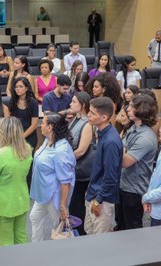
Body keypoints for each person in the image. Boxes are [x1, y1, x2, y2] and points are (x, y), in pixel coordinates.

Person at [0, 117, 32, 246]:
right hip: (21, 200)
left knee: (6, 243)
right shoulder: (27, 149)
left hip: (3, 204)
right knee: (21, 237)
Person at [30, 112, 76, 242]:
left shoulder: (62, 150)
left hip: (54, 196)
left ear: (50, 127)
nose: (41, 126)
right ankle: (36, 249)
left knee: (58, 228)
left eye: (43, 123)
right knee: (34, 217)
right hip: (42, 193)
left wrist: (62, 206)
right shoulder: (47, 141)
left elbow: (65, 182)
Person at [115, 95, 158, 230]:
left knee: (132, 229)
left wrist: (115, 144)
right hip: (123, 185)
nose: (128, 109)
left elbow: (125, 161)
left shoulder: (145, 137)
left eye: (132, 107)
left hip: (133, 190)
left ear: (141, 110)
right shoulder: (133, 128)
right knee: (120, 224)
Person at [84, 97, 123, 234]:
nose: (88, 115)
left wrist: (98, 200)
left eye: (92, 113)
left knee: (99, 240)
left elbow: (110, 176)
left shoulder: (111, 141)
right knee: (89, 231)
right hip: (94, 193)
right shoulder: (101, 134)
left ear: (104, 117)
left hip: (102, 198)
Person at [68, 92, 92, 235]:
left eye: (74, 102)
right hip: (72, 168)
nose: (70, 104)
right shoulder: (75, 119)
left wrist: (63, 160)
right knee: (72, 205)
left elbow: (81, 150)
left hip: (80, 171)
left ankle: (80, 235)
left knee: (77, 206)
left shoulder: (87, 124)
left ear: (82, 105)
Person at [7, 77, 38, 150]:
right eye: (16, 87)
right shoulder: (12, 101)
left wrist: (22, 137)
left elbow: (34, 125)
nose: (18, 89)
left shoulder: (33, 102)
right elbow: (9, 121)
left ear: (26, 88)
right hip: (15, 136)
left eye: (20, 86)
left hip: (29, 137)